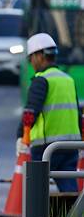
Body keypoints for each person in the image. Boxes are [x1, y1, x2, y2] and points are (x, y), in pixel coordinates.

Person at [17, 33, 82, 194]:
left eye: (31, 58)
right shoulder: (68, 79)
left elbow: (30, 112)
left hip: (46, 147)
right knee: (68, 189)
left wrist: (21, 136)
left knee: (36, 192)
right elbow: (76, 112)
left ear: (39, 56)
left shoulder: (41, 80)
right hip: (70, 145)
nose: (31, 62)